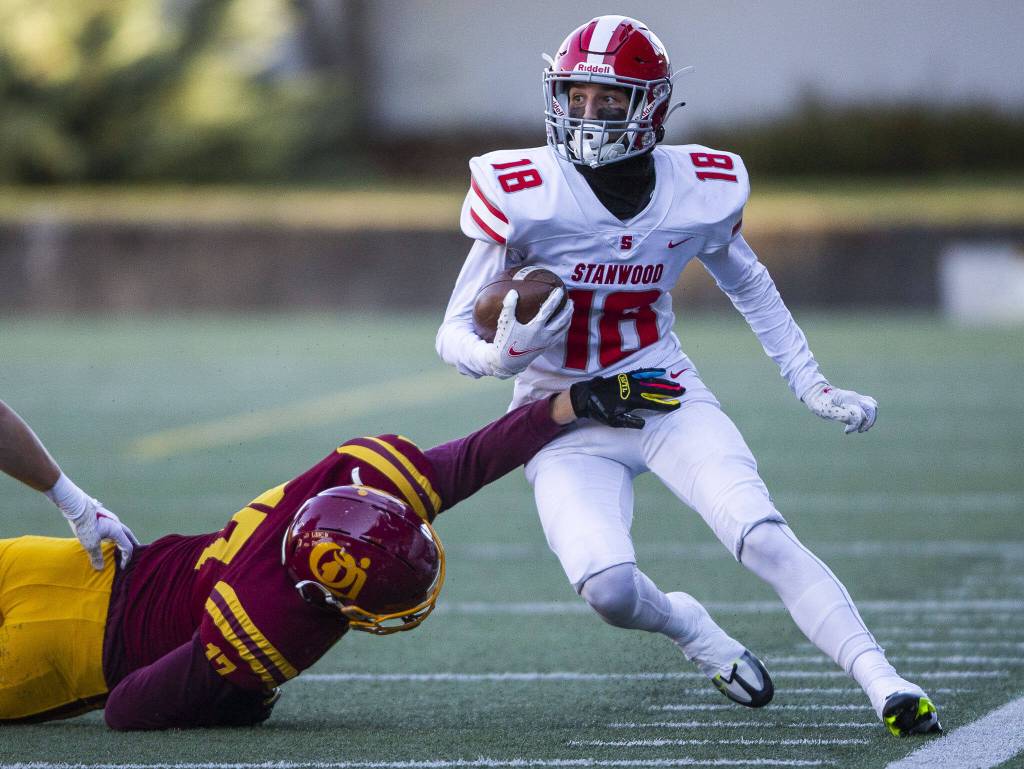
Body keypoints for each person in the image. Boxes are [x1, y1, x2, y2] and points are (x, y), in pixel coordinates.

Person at [436, 15, 940, 737]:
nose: (586, 114)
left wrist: (810, 382)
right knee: (608, 588)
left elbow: (752, 284)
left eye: (608, 99)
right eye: (575, 96)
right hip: (561, 415)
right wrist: (500, 356)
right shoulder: (523, 189)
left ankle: (884, 680)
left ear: (653, 106)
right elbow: (452, 330)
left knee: (761, 532)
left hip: (662, 393)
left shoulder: (703, 186)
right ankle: (692, 628)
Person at [0, 372, 681, 729]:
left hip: (80, 564)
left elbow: (471, 458)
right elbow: (127, 708)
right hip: (61, 654)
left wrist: (571, 402)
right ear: (327, 596)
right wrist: (240, 699)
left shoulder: (348, 488)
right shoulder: (281, 621)